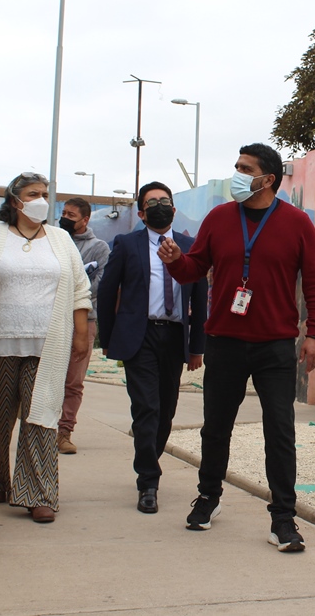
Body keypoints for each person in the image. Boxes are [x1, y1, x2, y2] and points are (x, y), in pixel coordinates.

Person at [158, 143, 315, 552]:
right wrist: (176, 259)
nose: (236, 173)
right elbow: (193, 270)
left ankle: (283, 519)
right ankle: (208, 498)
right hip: (225, 343)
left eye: (244, 168)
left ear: (267, 179)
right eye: (236, 166)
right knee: (215, 428)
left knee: (280, 432)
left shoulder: (296, 223)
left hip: (274, 346)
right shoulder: (219, 218)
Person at [0, 173, 91, 523]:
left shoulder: (60, 239)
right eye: (34, 194)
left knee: (41, 415)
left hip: (48, 343)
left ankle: (38, 492)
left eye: (45, 193)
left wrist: (81, 332)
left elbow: (79, 288)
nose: (42, 199)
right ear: (15, 200)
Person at [98, 182, 207, 514]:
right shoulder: (127, 244)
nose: (160, 205)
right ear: (142, 213)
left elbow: (200, 300)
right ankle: (148, 481)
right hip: (139, 335)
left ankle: (147, 458)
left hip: (174, 336)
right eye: (152, 202)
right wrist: (107, 339)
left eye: (165, 201)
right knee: (146, 408)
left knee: (165, 411)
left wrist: (196, 347)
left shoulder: (191, 246)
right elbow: (106, 292)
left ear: (173, 209)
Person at [56, 197, 110, 455]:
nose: (65, 217)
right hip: (51, 319)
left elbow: (100, 284)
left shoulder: (98, 248)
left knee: (73, 381)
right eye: (63, 212)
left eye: (71, 214)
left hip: (84, 321)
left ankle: (64, 432)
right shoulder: (52, 240)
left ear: (85, 219)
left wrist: (71, 287)